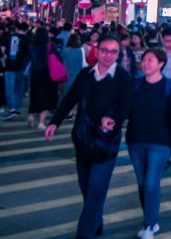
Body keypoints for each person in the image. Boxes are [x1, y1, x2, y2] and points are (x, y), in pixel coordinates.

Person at [45, 35, 133, 239]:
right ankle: (96, 220)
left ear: (118, 55)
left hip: (106, 142)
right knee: (85, 186)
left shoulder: (122, 78)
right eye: (104, 50)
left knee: (96, 189)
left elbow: (127, 105)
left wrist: (113, 120)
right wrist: (54, 122)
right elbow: (70, 99)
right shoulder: (86, 74)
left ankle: (84, 233)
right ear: (96, 51)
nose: (108, 55)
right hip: (83, 139)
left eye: (113, 52)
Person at [126, 48, 171, 239]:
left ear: (161, 64)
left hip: (160, 142)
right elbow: (124, 109)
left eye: (150, 60)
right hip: (136, 140)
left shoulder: (170, 88)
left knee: (152, 183)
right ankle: (151, 218)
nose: (145, 63)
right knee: (142, 183)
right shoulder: (135, 84)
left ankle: (150, 225)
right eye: (144, 60)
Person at [27, 27, 59, 130]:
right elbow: (59, 58)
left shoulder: (32, 46)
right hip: (47, 73)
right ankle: (41, 122)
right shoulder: (50, 45)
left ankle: (31, 115)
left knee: (34, 94)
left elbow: (27, 59)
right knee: (45, 97)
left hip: (35, 72)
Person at [1, 23, 30, 120]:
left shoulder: (9, 37)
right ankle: (16, 107)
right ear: (26, 30)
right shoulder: (27, 39)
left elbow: (3, 50)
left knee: (9, 88)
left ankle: (12, 108)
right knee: (19, 88)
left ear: (17, 29)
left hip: (9, 66)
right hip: (21, 67)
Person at [61, 32, 86, 99]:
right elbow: (84, 64)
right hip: (77, 77)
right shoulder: (81, 50)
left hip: (66, 77)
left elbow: (62, 63)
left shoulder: (65, 51)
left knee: (64, 97)